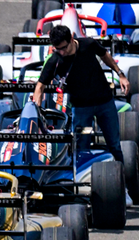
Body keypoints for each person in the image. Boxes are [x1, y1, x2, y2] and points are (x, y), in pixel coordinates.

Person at [31, 23, 129, 162]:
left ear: (71, 38)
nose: (62, 52)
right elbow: (40, 86)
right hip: (81, 108)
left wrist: (120, 74)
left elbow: (105, 55)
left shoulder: (88, 44)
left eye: (64, 48)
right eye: (57, 49)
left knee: (114, 146)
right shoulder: (56, 60)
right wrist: (37, 110)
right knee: (81, 150)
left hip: (105, 103)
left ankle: (123, 178)